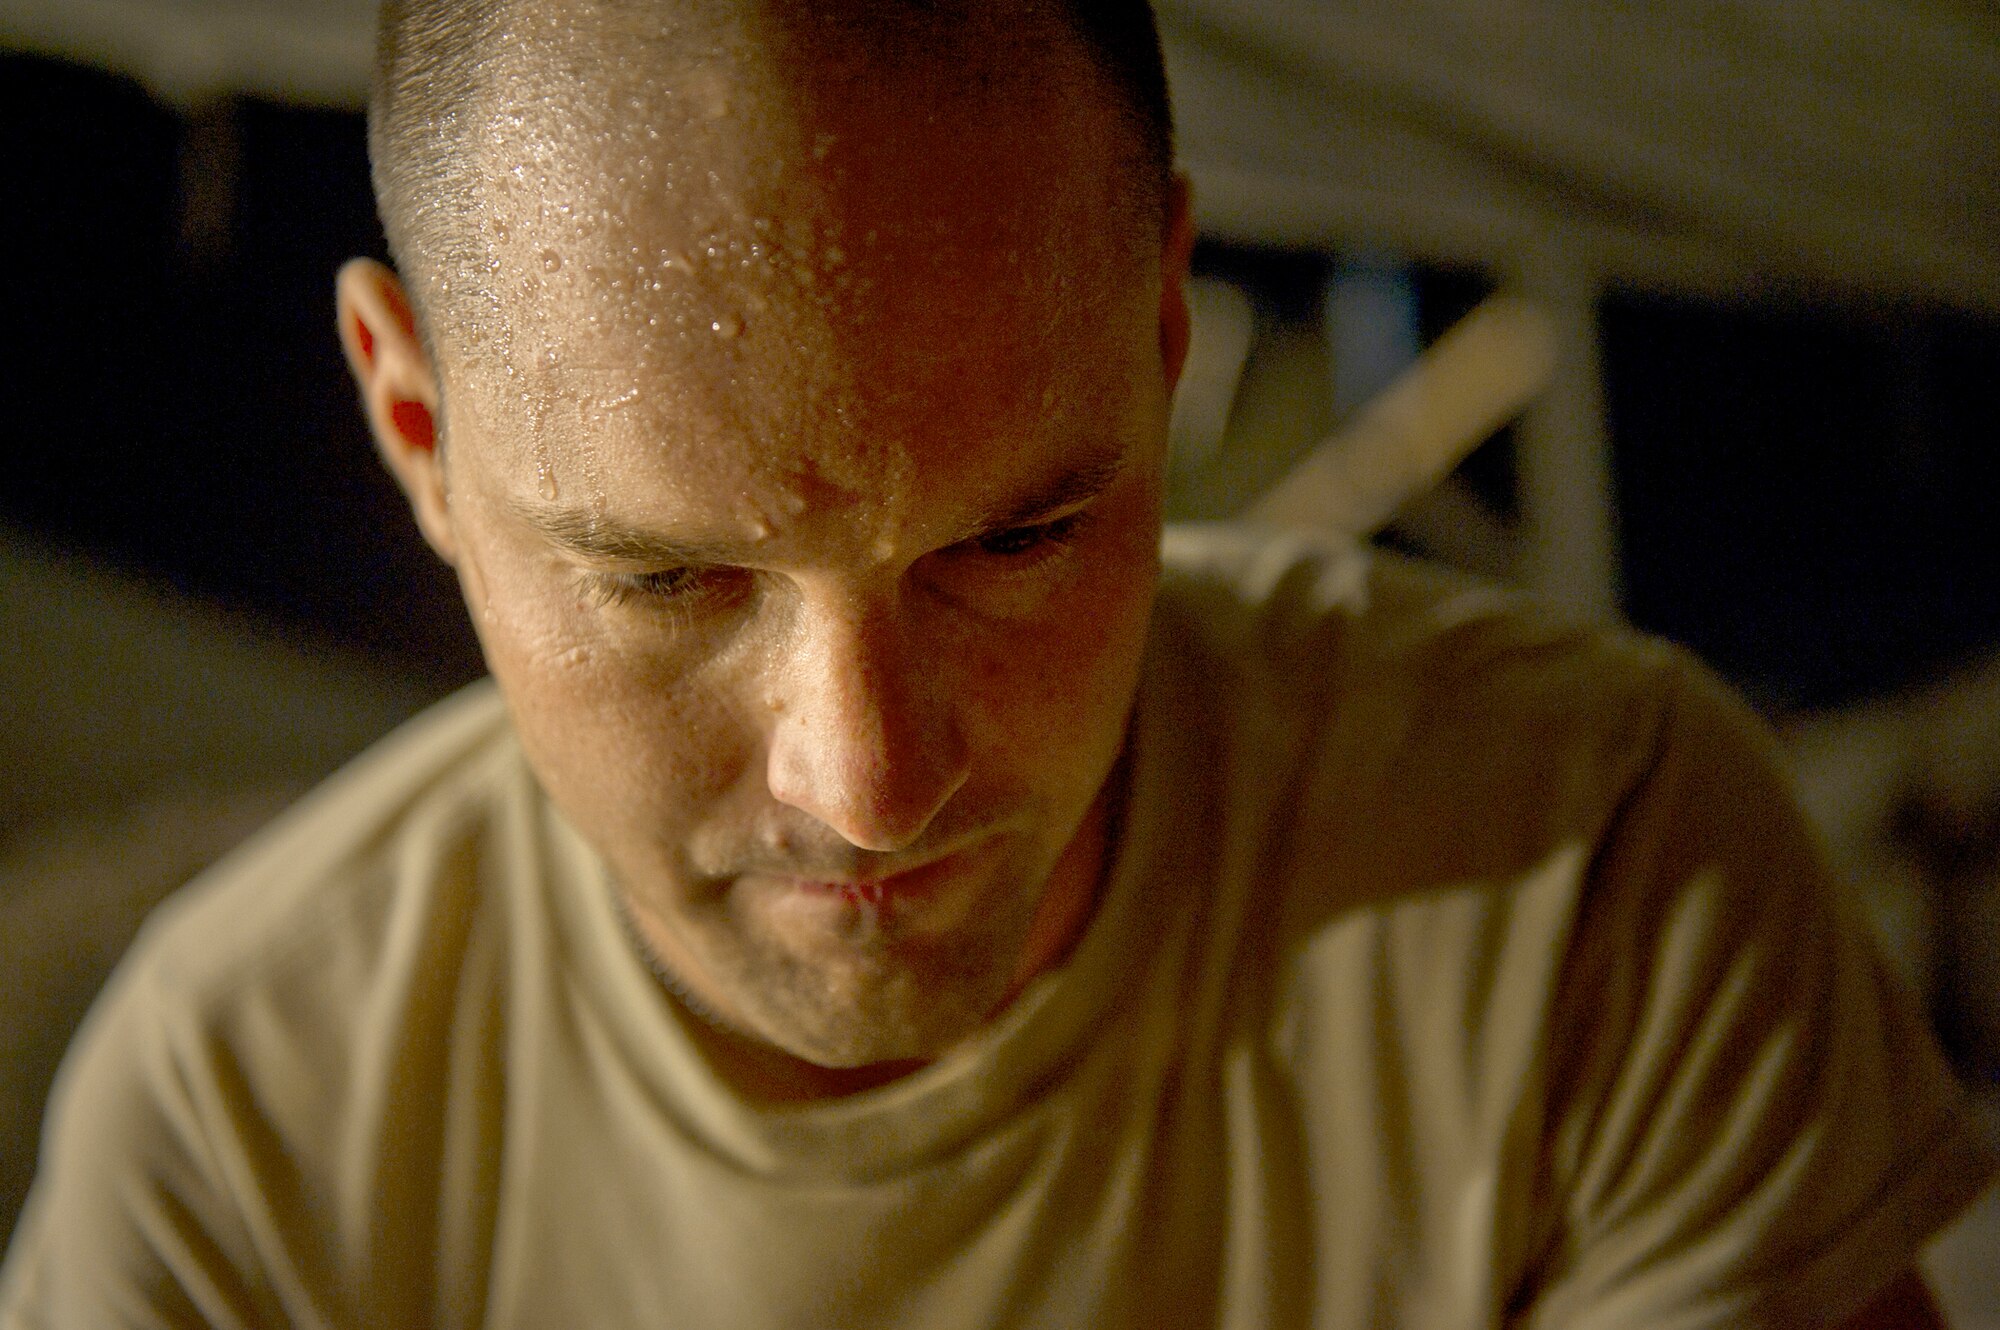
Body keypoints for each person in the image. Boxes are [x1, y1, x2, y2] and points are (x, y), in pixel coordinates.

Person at [2, 1, 1991, 1325]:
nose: (865, 776)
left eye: (1013, 538)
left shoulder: (1591, 881)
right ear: (416, 432)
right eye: (674, 582)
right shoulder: (235, 1156)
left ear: (1159, 333)